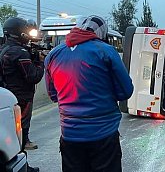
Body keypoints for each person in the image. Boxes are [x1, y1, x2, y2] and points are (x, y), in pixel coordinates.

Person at [44, 15, 133, 172]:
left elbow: (53, 95)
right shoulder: (106, 51)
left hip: (70, 134)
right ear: (102, 33)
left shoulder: (53, 54)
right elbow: (125, 91)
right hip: (104, 134)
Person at [0, 17, 44, 172]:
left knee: (11, 132)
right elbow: (33, 76)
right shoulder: (20, 52)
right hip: (22, 98)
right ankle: (23, 166)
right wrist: (40, 62)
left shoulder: (4, 49)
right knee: (20, 134)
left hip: (8, 96)